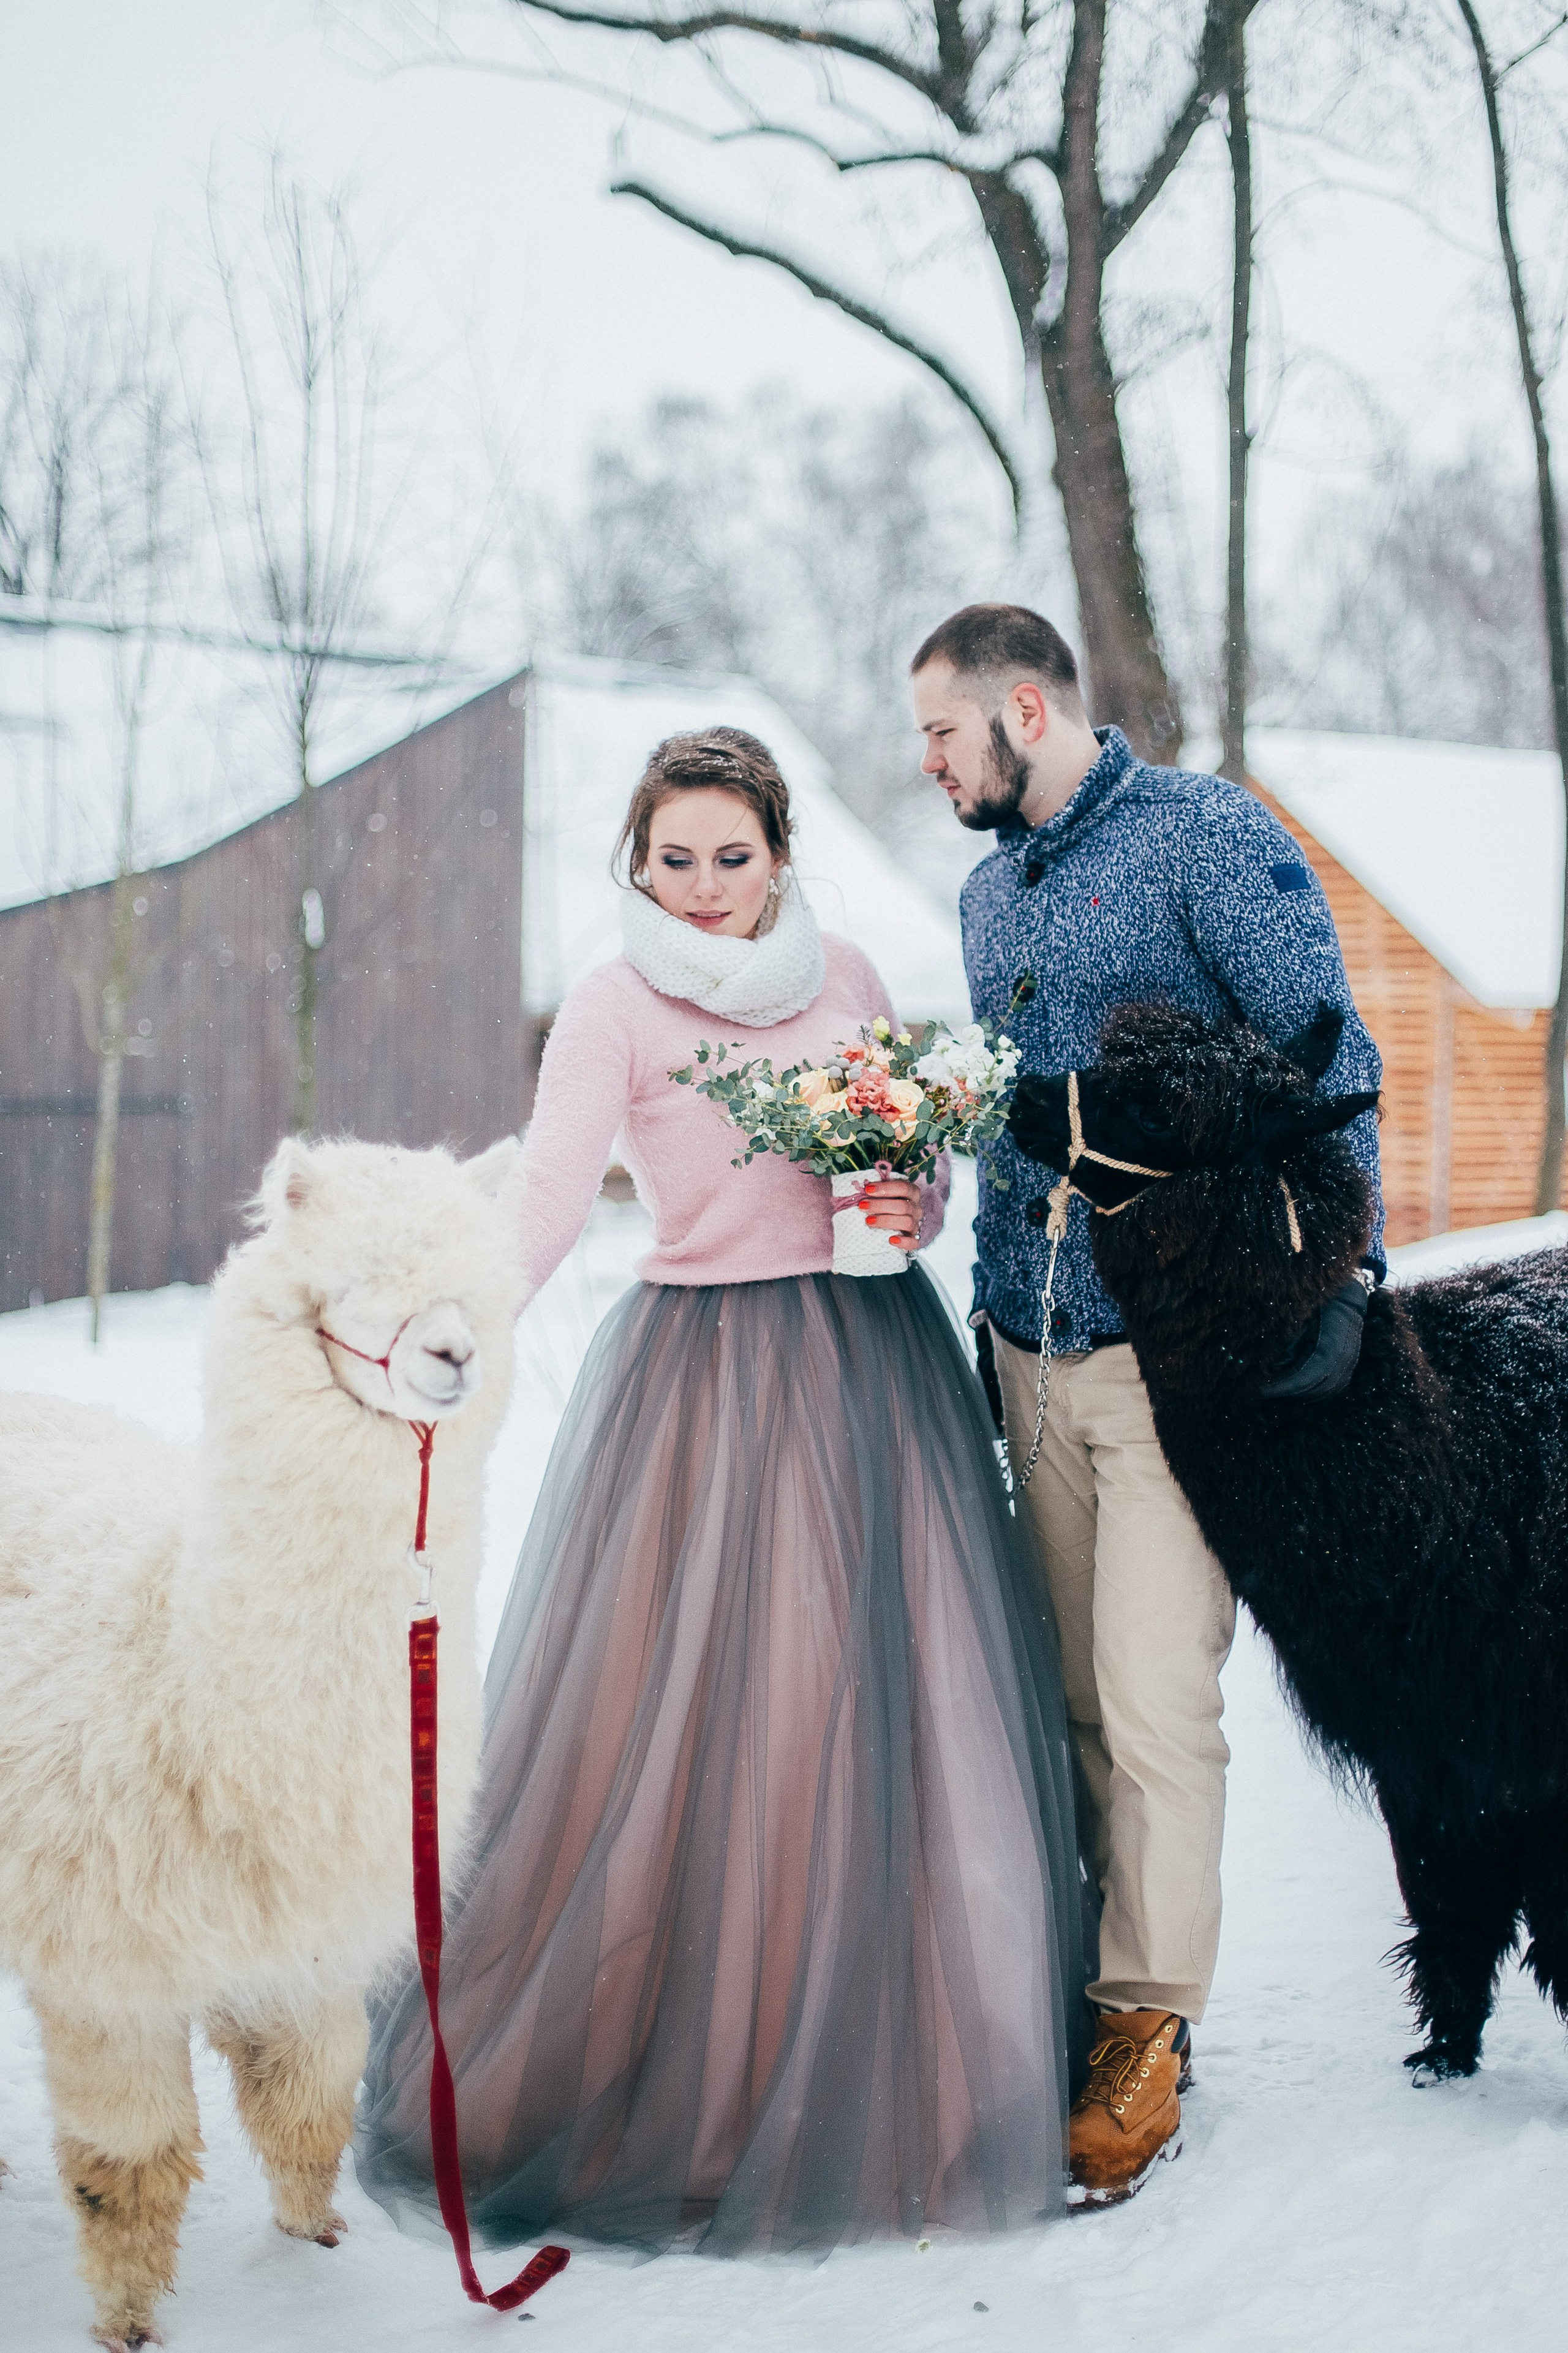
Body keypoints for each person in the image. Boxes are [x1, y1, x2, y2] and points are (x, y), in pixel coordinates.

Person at [356, 725, 1089, 2254]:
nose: (700, 891)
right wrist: (449, 1331)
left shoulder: (854, 982)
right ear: (638, 864)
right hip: (696, 1387)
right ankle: (681, 2074)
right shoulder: (612, 1010)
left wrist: (914, 1192)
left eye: (729, 858)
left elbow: (919, 1173)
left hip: (869, 1369)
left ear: (779, 852)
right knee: (687, 1733)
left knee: (868, 1724)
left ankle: (884, 2070)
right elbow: (550, 1197)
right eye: (670, 861)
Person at [910, 605, 1385, 2207]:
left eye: (939, 733)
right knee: (1073, 1708)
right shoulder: (983, 895)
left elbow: (1333, 1064)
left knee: (1158, 1697)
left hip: (1186, 1363)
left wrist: (1321, 1303)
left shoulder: (1205, 841)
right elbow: (1007, 1121)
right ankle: (1093, 1985)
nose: (926, 764)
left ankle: (1149, 2022)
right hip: (1027, 1352)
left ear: (1023, 710)